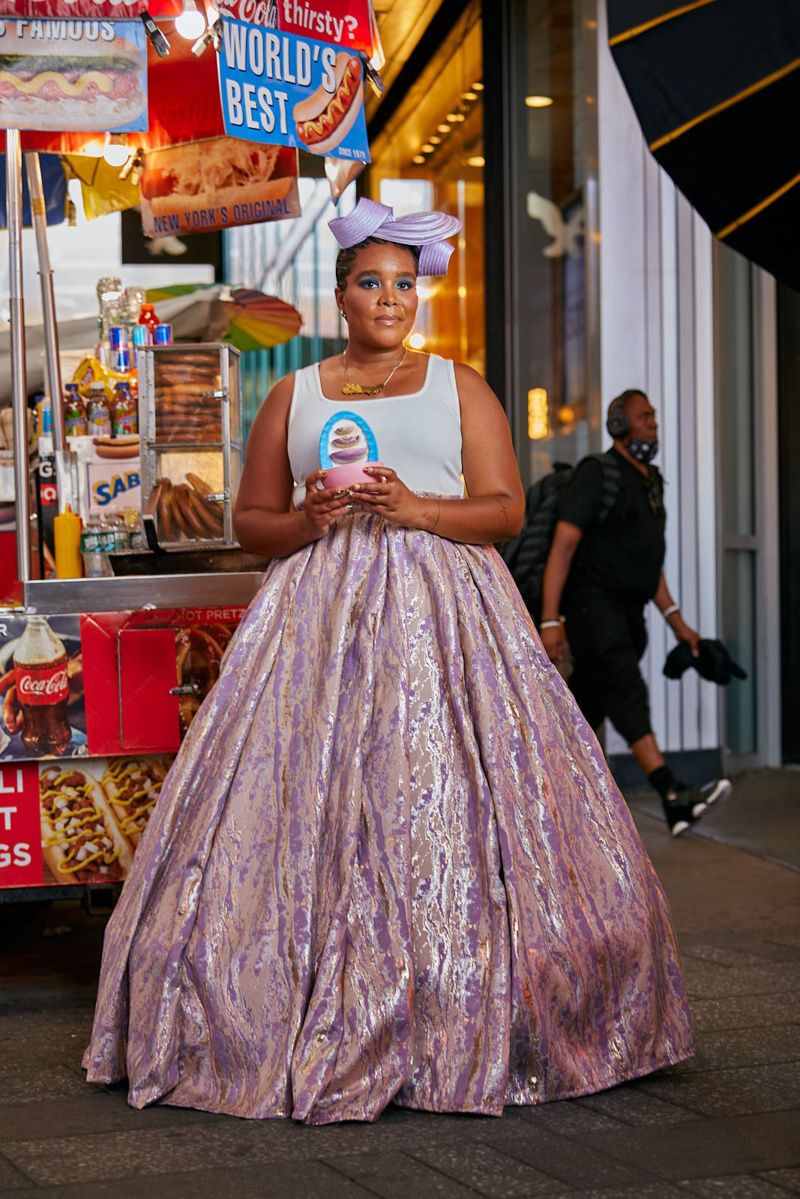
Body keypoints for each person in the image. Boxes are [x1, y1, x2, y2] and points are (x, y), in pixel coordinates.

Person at [84, 200, 692, 1124]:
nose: (390, 299)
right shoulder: (296, 393)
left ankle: (460, 997)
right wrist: (306, 523)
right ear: (341, 296)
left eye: (404, 283)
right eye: (371, 282)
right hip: (312, 626)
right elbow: (251, 523)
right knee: (310, 808)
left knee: (442, 798)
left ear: (420, 294)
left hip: (451, 625)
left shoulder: (460, 385)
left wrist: (415, 509)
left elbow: (503, 510)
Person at [539, 389, 731, 836]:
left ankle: (540, 792)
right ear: (619, 426)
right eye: (643, 417)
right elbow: (563, 546)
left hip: (630, 614)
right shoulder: (597, 474)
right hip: (592, 609)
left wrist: (679, 624)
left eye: (654, 418)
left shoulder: (650, 482)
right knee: (626, 692)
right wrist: (551, 619)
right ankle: (672, 795)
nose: (652, 424)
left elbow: (649, 563)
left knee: (581, 712)